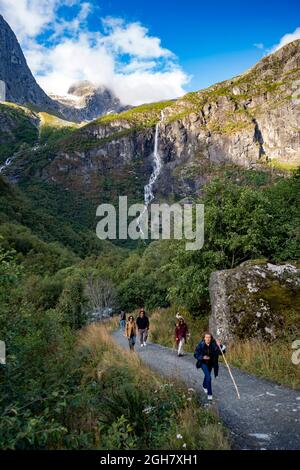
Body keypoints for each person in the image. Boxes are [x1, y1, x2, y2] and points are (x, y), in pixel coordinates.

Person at [194, 332, 226, 401]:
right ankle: (210, 394)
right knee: (209, 377)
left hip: (211, 363)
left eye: (209, 337)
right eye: (206, 337)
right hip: (203, 363)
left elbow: (221, 352)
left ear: (211, 338)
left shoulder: (214, 344)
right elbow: (196, 354)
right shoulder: (201, 345)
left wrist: (220, 345)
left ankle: (204, 385)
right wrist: (202, 357)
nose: (208, 339)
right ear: (204, 338)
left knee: (207, 375)